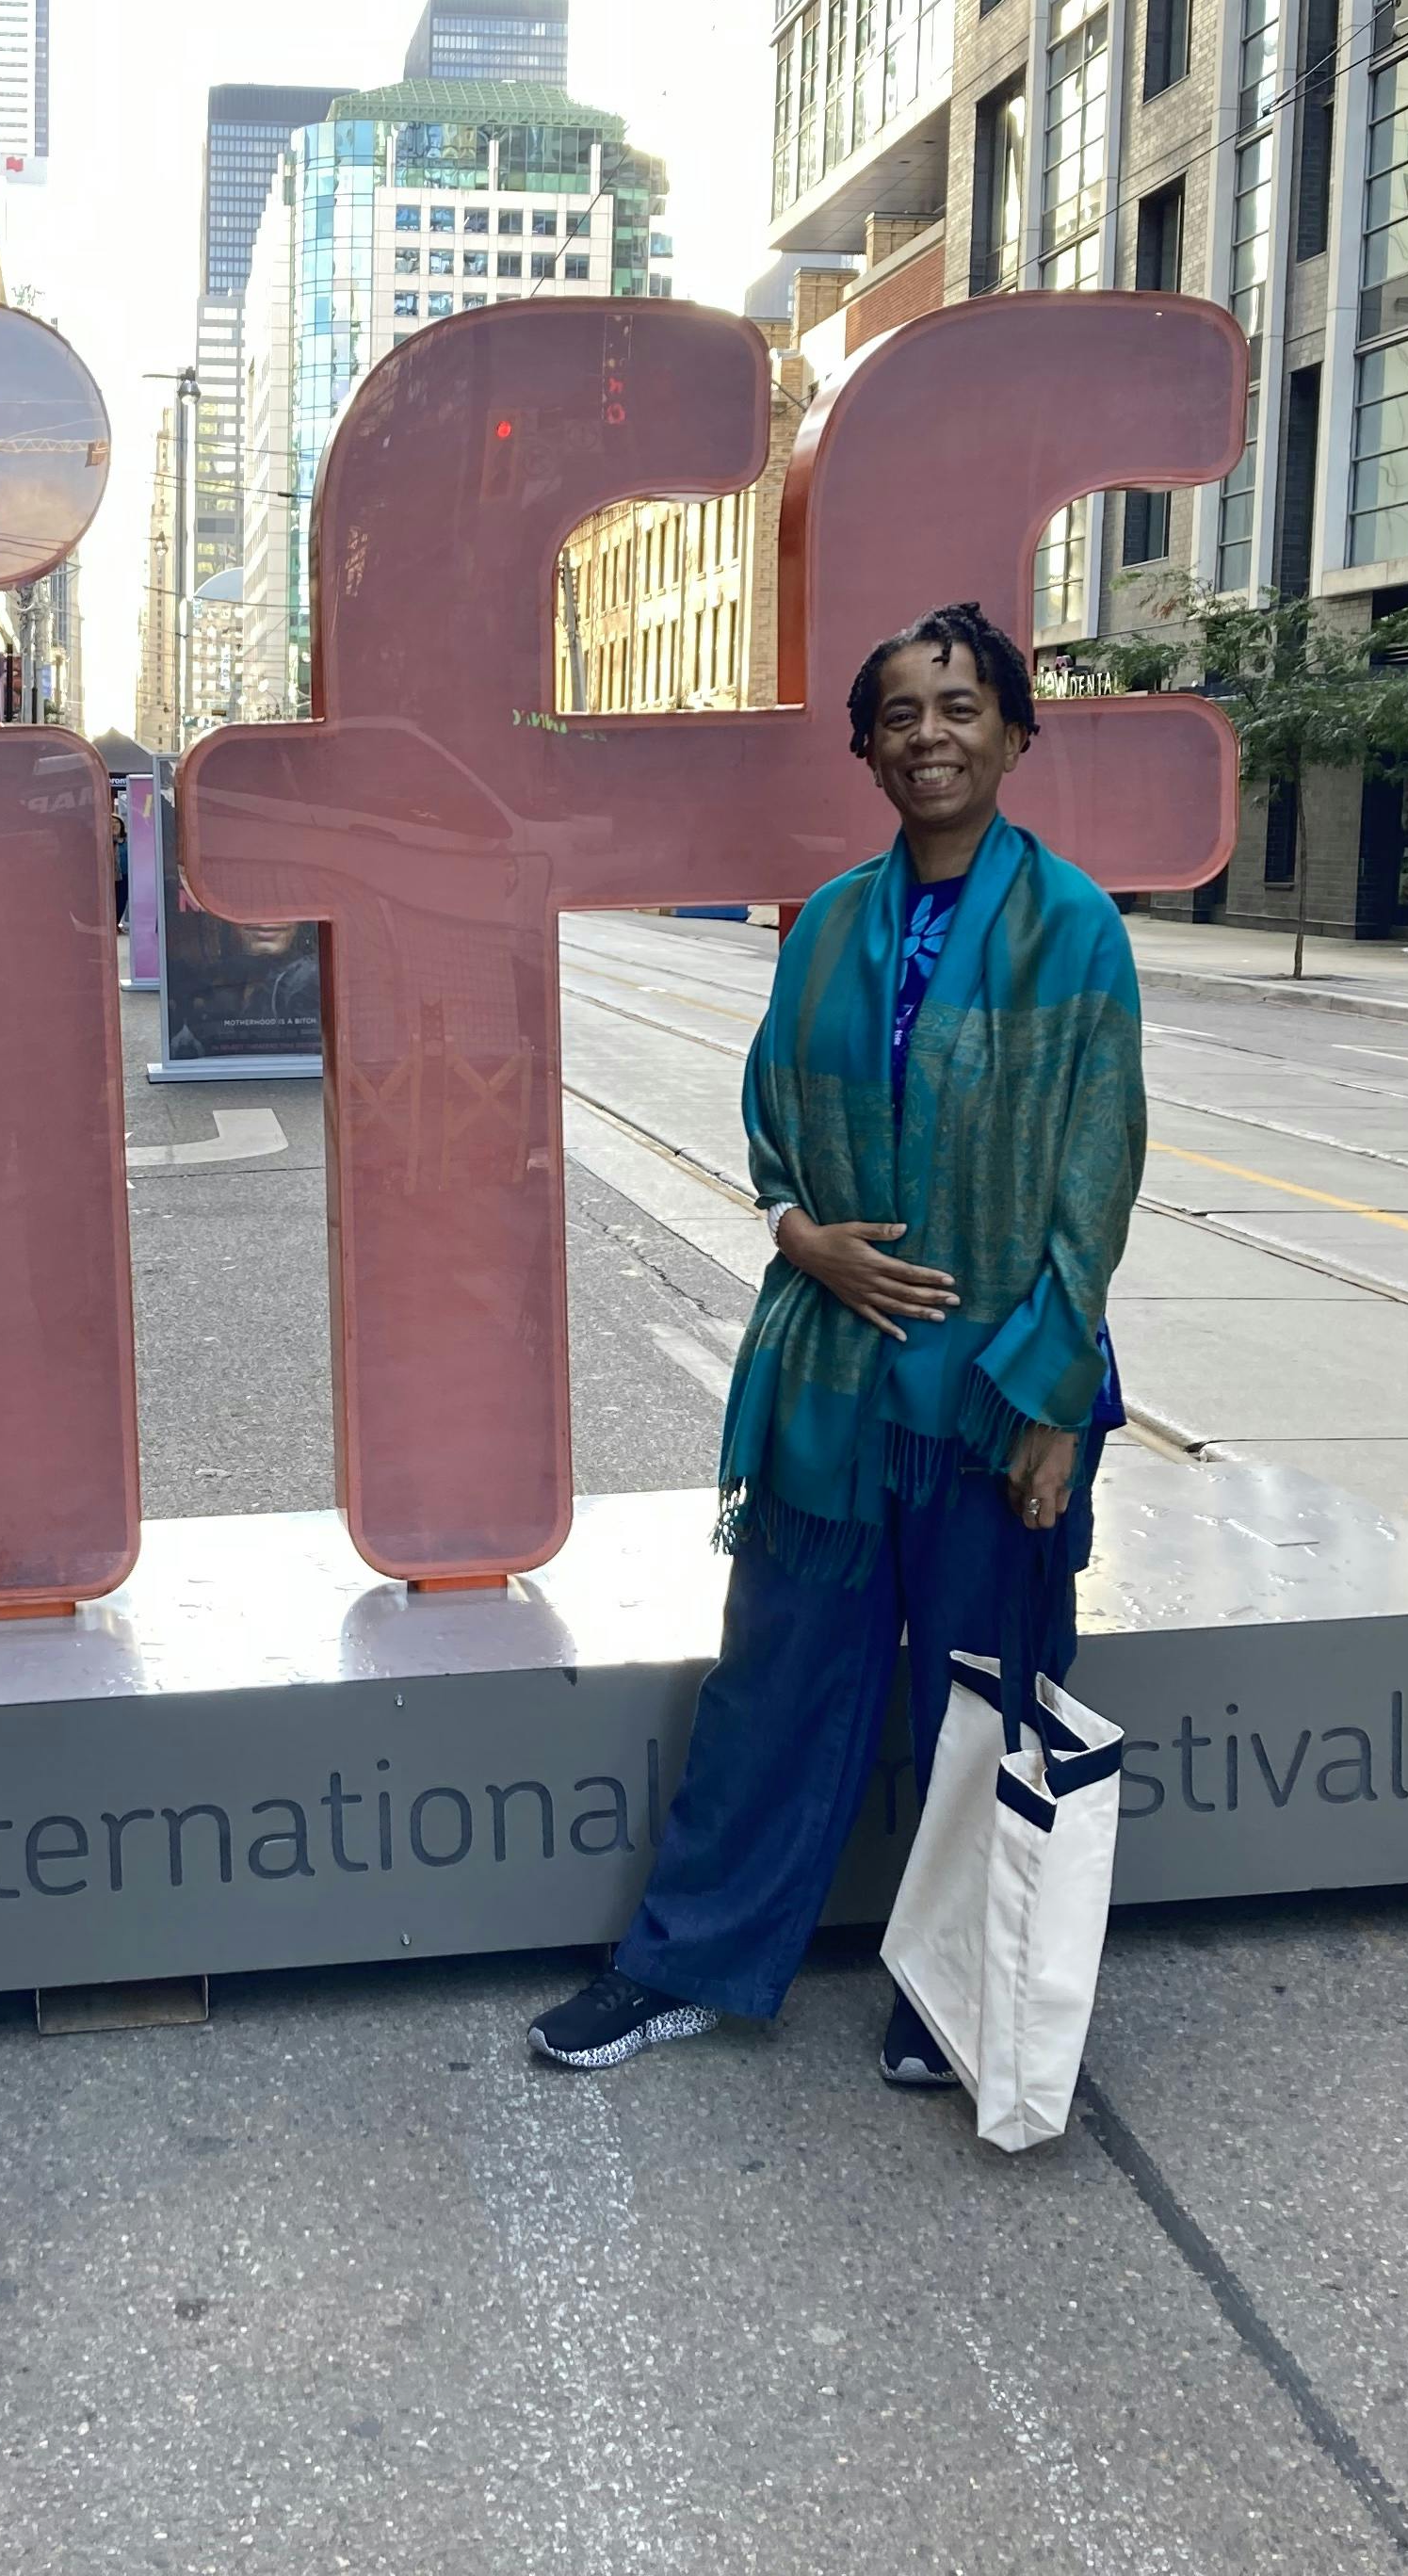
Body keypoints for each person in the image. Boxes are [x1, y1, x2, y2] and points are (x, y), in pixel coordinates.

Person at [529, 601, 1142, 2085]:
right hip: (832, 1384)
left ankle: (965, 2001)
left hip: (993, 1395)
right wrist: (798, 1234)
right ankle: (685, 1964)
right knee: (774, 1682)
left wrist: (1055, 1404)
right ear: (866, 750)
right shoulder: (828, 927)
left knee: (983, 1699)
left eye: (961, 707)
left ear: (1014, 733)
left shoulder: (1074, 928)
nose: (930, 736)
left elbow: (1096, 1174)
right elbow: (770, 1123)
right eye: (899, 716)